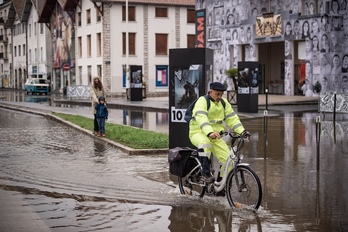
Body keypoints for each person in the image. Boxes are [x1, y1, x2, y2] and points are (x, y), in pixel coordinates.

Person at [188, 82, 250, 184]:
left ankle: (220, 184)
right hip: (198, 133)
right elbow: (201, 118)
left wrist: (242, 131)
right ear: (210, 92)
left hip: (215, 136)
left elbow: (232, 118)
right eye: (217, 94)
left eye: (221, 94)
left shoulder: (224, 103)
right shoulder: (202, 101)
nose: (220, 97)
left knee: (229, 160)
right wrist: (209, 132)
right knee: (205, 143)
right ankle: (205, 174)